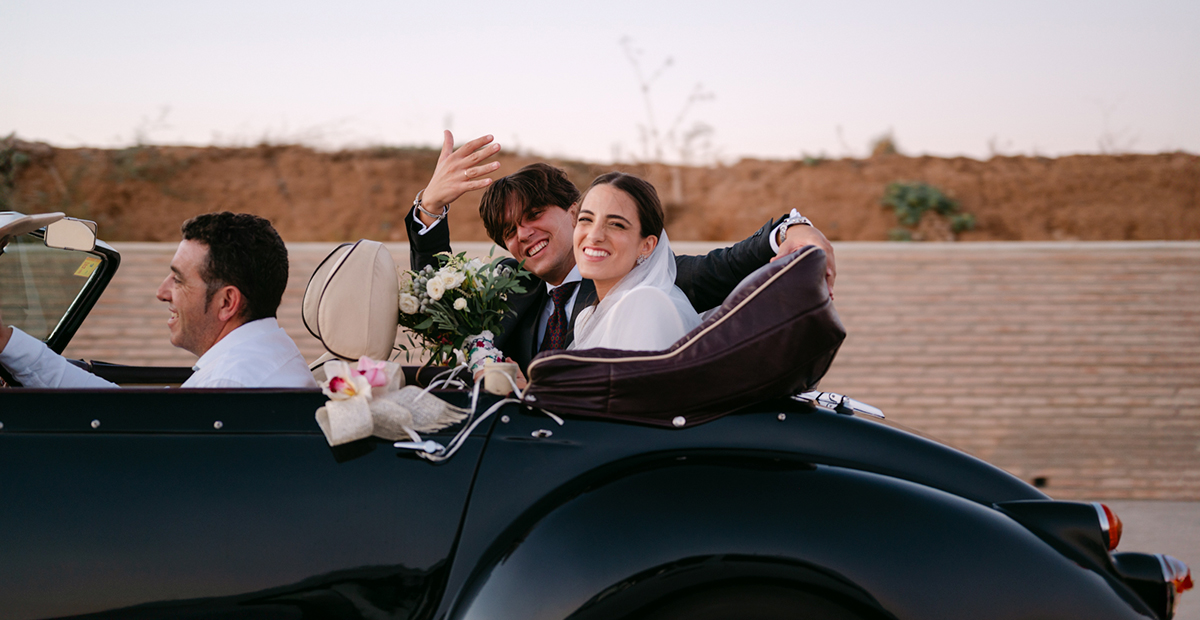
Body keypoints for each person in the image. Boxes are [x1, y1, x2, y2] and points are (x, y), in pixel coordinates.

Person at [405, 131, 837, 370]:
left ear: (575, 213)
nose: (523, 234)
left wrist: (793, 229)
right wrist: (430, 209)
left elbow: (731, 262)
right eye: (508, 231)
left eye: (535, 214)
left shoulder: (648, 282)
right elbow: (441, 304)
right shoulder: (507, 291)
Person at [0, 212, 317, 389]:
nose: (161, 292)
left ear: (227, 303)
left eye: (178, 279)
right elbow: (126, 417)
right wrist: (9, 343)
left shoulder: (229, 384)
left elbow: (128, 434)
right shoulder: (263, 356)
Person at [570, 172, 698, 351]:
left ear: (647, 245)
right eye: (586, 219)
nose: (594, 236)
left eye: (616, 224)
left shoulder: (645, 304)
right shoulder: (587, 318)